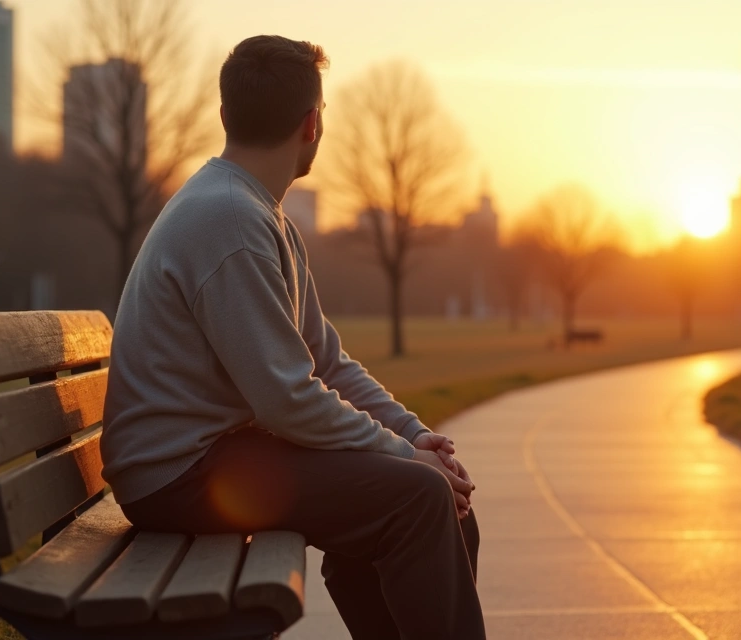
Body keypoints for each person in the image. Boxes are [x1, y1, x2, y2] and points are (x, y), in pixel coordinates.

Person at [99, 35, 486, 640]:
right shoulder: (230, 218)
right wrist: (406, 460)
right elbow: (287, 399)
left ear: (225, 116)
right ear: (312, 125)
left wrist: (415, 437)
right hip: (178, 476)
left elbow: (326, 362)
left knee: (441, 507)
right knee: (415, 500)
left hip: (214, 457)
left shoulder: (258, 211)